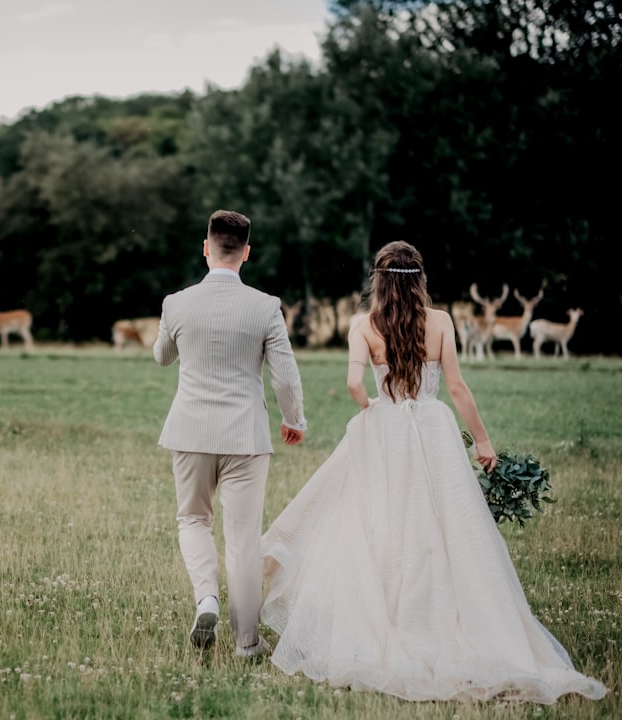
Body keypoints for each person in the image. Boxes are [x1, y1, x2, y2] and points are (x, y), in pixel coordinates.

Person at [257, 241, 606, 703]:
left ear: (378, 280)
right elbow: (457, 388)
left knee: (378, 523)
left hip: (386, 429)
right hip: (433, 429)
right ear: (419, 278)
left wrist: (373, 411)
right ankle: (447, 617)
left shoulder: (363, 325)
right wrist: (482, 441)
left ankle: (389, 620)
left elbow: (352, 384)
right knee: (447, 528)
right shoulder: (440, 322)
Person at [154, 209, 307, 657]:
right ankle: (247, 642)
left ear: (206, 248)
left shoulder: (175, 303)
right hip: (245, 435)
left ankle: (206, 600)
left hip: (190, 431)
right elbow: (285, 376)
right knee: (243, 538)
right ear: (246, 253)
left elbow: (162, 357)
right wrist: (293, 420)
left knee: (193, 520)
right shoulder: (265, 306)